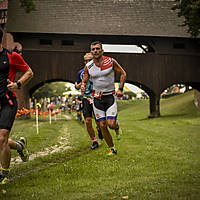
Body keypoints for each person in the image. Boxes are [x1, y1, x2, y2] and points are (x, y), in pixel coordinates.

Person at [0, 28, 34, 184]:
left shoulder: (11, 56)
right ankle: (19, 146)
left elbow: (29, 72)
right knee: (1, 140)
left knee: (1, 138)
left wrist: (18, 84)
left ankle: (4, 173)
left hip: (8, 102)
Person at [81, 41, 126, 155]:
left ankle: (116, 127)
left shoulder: (110, 61)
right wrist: (83, 85)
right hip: (97, 98)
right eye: (93, 49)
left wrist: (120, 89)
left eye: (97, 49)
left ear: (102, 50)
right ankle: (112, 149)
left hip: (109, 97)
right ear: (91, 51)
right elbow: (85, 79)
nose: (95, 51)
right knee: (102, 125)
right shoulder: (89, 66)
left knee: (111, 124)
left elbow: (123, 73)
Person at [75, 53, 103, 150]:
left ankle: (99, 130)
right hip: (86, 98)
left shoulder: (99, 70)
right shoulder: (81, 73)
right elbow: (76, 86)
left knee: (99, 122)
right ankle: (94, 141)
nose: (88, 62)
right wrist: (80, 85)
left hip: (97, 97)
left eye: (89, 60)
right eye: (86, 60)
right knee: (87, 121)